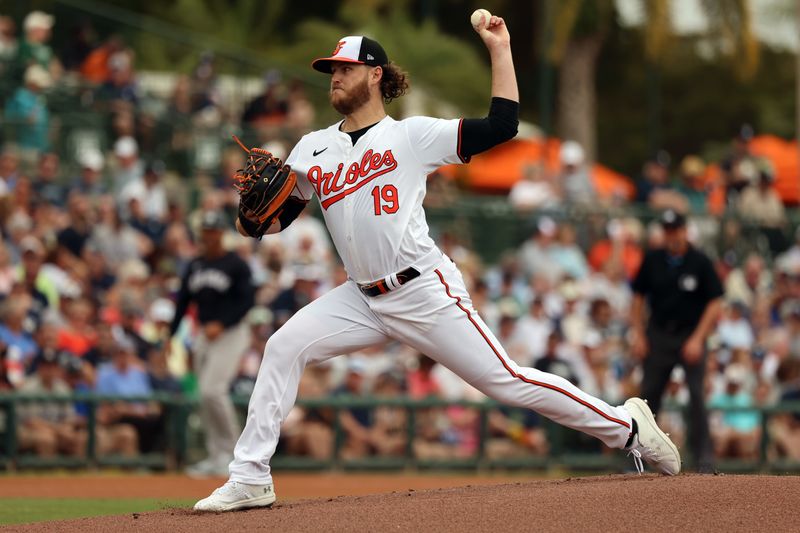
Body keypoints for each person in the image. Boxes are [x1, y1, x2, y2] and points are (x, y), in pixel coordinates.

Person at [194, 17, 680, 512]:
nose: (334, 77)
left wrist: (500, 48)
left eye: (344, 68)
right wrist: (249, 221)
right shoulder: (312, 147)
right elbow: (278, 217)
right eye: (330, 70)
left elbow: (502, 126)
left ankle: (628, 427)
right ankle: (250, 476)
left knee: (507, 381)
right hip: (360, 298)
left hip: (423, 290)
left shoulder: (412, 137)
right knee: (282, 347)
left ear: (375, 74)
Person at [630, 209, 723, 471]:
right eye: (667, 230)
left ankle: (703, 459)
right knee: (649, 397)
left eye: (676, 229)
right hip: (659, 334)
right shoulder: (653, 260)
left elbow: (715, 302)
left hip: (689, 334)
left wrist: (698, 339)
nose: (672, 235)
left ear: (684, 230)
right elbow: (637, 299)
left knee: (696, 398)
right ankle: (641, 458)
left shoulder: (700, 261)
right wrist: (638, 334)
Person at [167, 210, 254, 476]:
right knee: (203, 396)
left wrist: (223, 322)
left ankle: (236, 455)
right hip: (205, 334)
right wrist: (170, 336)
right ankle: (216, 455)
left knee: (212, 391)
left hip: (232, 333)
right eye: (206, 231)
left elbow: (246, 301)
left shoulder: (236, 264)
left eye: (214, 230)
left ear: (222, 234)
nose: (210, 235)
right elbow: (182, 302)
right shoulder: (195, 265)